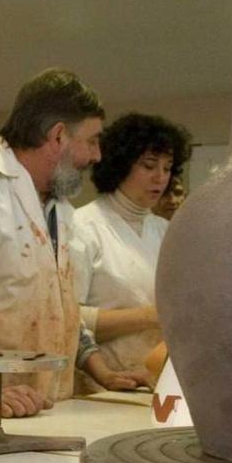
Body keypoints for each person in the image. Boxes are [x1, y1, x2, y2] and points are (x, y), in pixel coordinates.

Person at [0, 68, 148, 428]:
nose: (97, 155)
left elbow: (61, 311)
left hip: (42, 412)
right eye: (93, 141)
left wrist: (103, 372)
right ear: (59, 136)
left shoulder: (60, 209)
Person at [71, 113, 192, 393]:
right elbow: (69, 319)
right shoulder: (82, 227)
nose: (160, 177)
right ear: (120, 165)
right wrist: (153, 316)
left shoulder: (165, 230)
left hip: (154, 380)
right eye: (149, 166)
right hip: (99, 385)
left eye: (167, 167)